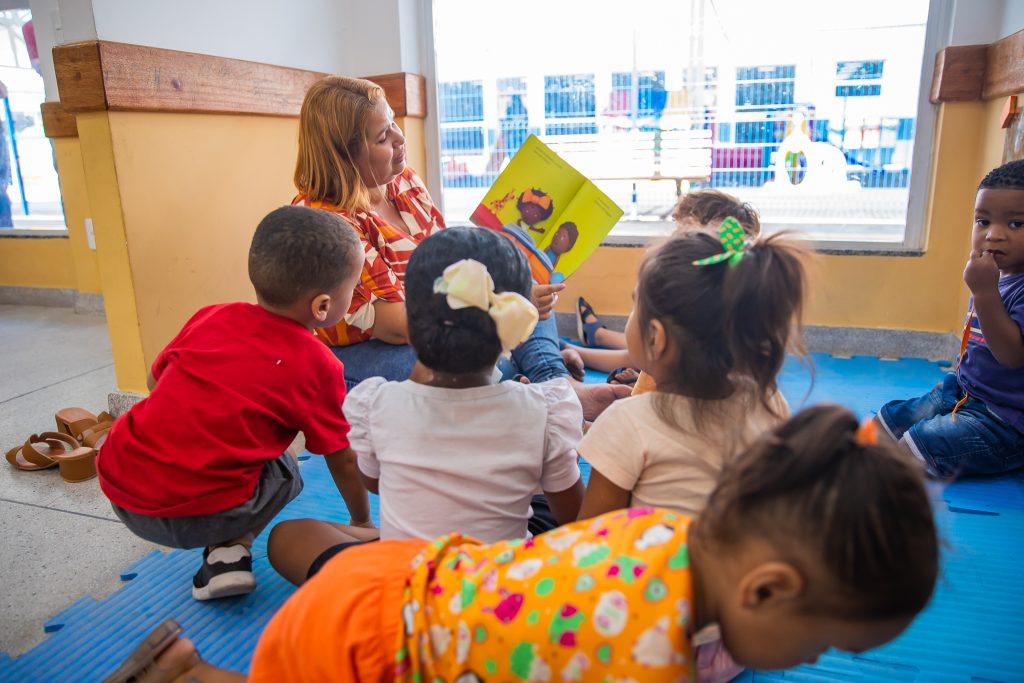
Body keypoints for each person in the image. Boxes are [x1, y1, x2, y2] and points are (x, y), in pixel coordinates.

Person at [128, 405, 940, 683]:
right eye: (827, 640)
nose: (812, 659)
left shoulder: (676, 532)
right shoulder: (637, 653)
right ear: (763, 590)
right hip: (369, 645)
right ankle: (196, 674)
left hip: (408, 571)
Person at [292, 76, 629, 419]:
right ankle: (528, 382)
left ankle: (550, 379)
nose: (400, 138)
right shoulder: (333, 224)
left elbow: (450, 259)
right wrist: (503, 305)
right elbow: (399, 325)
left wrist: (510, 289)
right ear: (344, 157)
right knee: (435, 367)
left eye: (394, 122)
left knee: (516, 265)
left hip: (445, 315)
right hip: (382, 344)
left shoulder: (401, 180)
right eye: (383, 137)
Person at [266, 228, 585, 585]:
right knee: (543, 490)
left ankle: (394, 548)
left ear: (411, 331)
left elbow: (374, 482)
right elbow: (574, 516)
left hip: (406, 584)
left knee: (288, 536)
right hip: (499, 590)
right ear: (517, 327)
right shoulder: (544, 410)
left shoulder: (379, 404)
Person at [96, 206, 370, 601]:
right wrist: (361, 520)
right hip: (199, 516)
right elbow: (340, 456)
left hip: (121, 486)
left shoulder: (211, 316)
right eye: (354, 287)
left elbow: (155, 382)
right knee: (287, 472)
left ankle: (225, 553)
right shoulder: (319, 365)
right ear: (323, 306)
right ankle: (230, 544)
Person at [876, 159, 1024, 476]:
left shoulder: (1003, 285)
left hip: (1005, 420)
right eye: (983, 221)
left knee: (918, 444)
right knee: (887, 421)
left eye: (1016, 224)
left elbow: (1012, 355)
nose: (993, 235)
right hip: (964, 393)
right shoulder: (991, 275)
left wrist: (984, 293)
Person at [570, 189, 762, 379]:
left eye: (681, 229)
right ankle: (598, 336)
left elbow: (645, 351)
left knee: (644, 347)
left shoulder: (697, 285)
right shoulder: (739, 278)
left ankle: (590, 343)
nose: (673, 237)